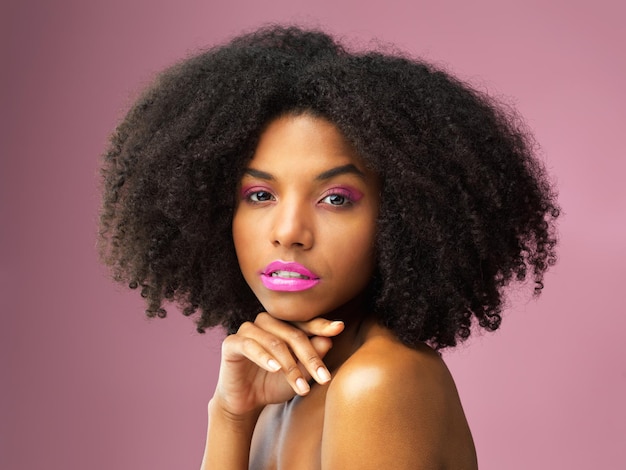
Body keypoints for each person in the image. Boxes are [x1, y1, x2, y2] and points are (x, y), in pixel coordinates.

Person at [99, 26, 559, 469]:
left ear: (402, 215)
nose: (289, 232)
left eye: (335, 199)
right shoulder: (278, 391)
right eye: (260, 195)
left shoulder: (376, 383)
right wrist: (229, 417)